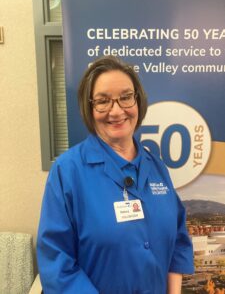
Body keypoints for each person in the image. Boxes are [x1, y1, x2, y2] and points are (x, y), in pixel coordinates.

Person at [37, 55, 194, 294]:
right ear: (89, 108)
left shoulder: (157, 167)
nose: (117, 110)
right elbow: (57, 264)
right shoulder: (67, 171)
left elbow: (179, 241)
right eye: (103, 101)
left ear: (138, 101)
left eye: (125, 97)